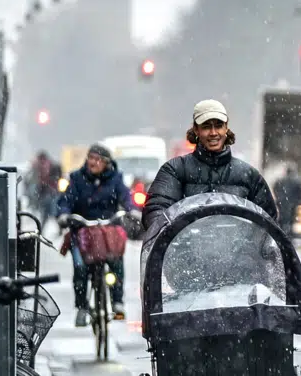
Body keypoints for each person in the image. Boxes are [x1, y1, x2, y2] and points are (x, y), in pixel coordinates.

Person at [143, 99, 277, 231]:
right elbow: (156, 211)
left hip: (237, 252)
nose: (213, 133)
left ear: (226, 128)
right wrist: (170, 234)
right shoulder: (174, 170)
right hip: (186, 252)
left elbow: (268, 222)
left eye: (218, 126)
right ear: (196, 129)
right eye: (206, 126)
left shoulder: (249, 176)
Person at [56, 144, 132, 325]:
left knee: (116, 262)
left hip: (108, 230)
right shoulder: (76, 178)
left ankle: (117, 302)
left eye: (98, 159)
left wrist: (132, 210)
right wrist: (64, 214)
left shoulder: (116, 179)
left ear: (107, 163)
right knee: (80, 268)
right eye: (91, 158)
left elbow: (126, 197)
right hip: (82, 230)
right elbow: (65, 201)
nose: (93, 162)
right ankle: (82, 306)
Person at [272, 164, 301, 232]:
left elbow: (275, 188)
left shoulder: (280, 181)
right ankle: (288, 233)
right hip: (292, 203)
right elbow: (300, 191)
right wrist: (297, 200)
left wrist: (279, 196)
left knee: (281, 218)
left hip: (281, 202)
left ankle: (281, 232)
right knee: (289, 220)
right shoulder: (296, 182)